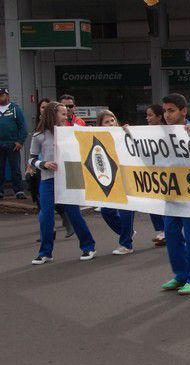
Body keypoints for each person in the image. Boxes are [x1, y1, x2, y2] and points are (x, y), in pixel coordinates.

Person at [29, 101, 96, 264]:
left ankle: (88, 246)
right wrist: (43, 164)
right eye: (63, 114)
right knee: (46, 216)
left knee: (74, 214)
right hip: (48, 179)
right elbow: (31, 159)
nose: (66, 117)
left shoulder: (72, 132)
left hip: (69, 178)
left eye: (67, 113)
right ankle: (45, 252)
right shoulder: (38, 136)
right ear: (53, 114)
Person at [160, 93, 190, 295]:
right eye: (165, 111)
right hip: (171, 190)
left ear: (183, 111)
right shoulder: (164, 133)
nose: (167, 115)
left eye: (171, 110)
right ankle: (181, 275)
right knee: (171, 234)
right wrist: (129, 136)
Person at [95, 110, 137, 255]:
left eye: (112, 120)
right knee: (106, 211)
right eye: (106, 122)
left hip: (126, 176)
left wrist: (129, 133)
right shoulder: (97, 138)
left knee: (126, 209)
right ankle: (127, 232)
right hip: (110, 179)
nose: (111, 124)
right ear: (100, 125)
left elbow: (138, 145)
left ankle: (126, 244)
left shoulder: (123, 133)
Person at [0, 87, 28, 199]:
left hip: (13, 144)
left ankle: (19, 191)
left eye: (2, 95)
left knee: (15, 168)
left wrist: (20, 141)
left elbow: (23, 126)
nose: (0, 97)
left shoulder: (15, 109)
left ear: (7, 96)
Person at [145, 103, 166, 246]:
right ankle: (163, 231)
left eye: (150, 115)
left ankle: (167, 232)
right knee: (152, 203)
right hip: (151, 173)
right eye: (146, 115)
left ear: (159, 117)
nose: (147, 118)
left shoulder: (167, 131)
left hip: (165, 173)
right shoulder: (143, 132)